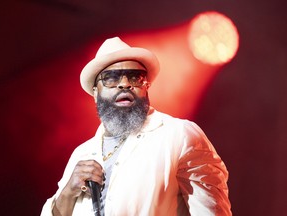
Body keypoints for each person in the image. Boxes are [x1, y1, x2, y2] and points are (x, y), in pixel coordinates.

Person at [41, 37, 232, 216]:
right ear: (95, 93)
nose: (124, 84)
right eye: (111, 78)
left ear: (146, 86)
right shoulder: (81, 154)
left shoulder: (178, 136)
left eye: (135, 77)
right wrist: (67, 192)